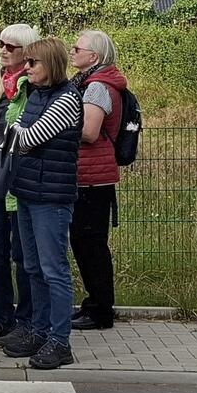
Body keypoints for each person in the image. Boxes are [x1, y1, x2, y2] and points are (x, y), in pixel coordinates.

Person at [0, 37, 83, 371]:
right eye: (27, 62)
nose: (27, 67)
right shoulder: (37, 95)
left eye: (33, 62)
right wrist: (15, 135)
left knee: (53, 269)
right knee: (32, 266)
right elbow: (15, 132)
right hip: (28, 191)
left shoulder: (66, 99)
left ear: (50, 64)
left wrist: (14, 136)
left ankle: (60, 341)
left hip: (52, 197)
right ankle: (38, 328)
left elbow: (26, 137)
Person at [0, 23, 38, 340]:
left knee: (22, 254)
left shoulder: (33, 88)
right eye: (0, 43)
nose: (2, 49)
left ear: (27, 51)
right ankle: (1, 314)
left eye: (10, 46)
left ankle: (26, 318)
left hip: (18, 181)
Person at [69, 29, 128, 331]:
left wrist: (59, 129)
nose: (71, 52)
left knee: (90, 245)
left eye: (77, 48)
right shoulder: (95, 84)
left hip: (92, 177)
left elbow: (90, 132)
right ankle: (95, 305)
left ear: (93, 56)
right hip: (94, 175)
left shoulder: (96, 88)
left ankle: (101, 310)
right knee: (87, 244)